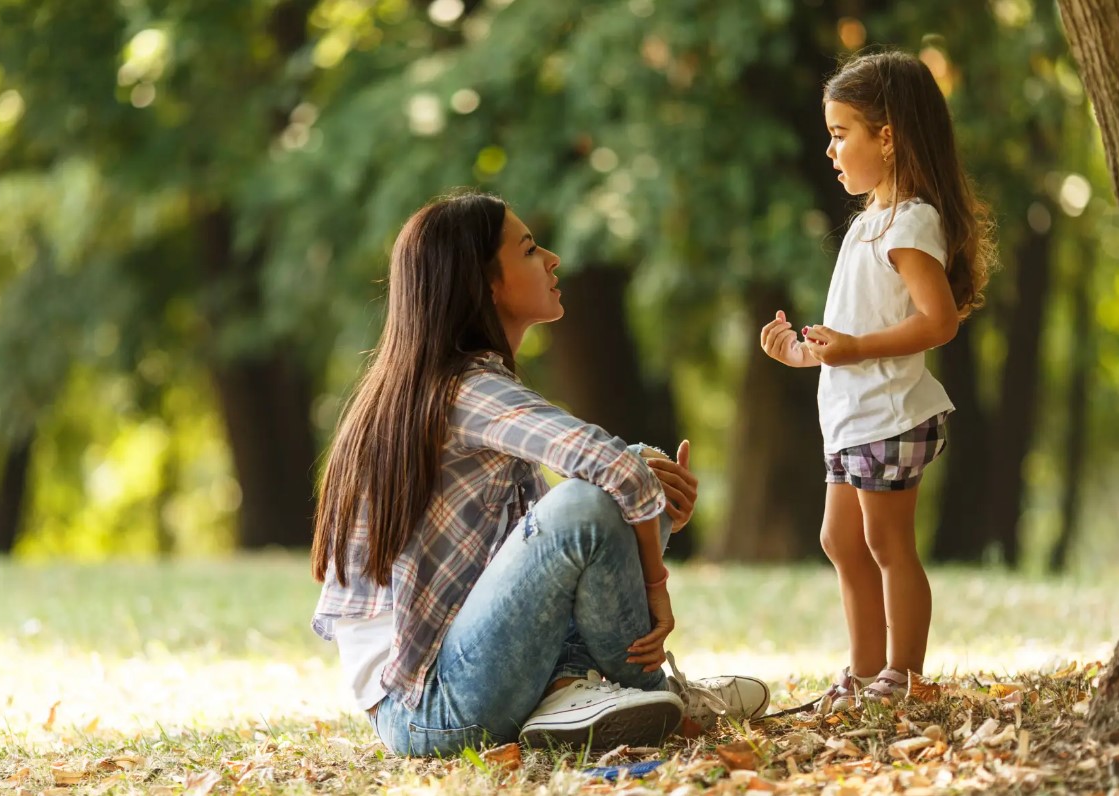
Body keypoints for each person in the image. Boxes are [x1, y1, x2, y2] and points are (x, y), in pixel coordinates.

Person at [311, 191, 769, 757]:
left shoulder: (445, 383)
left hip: (462, 672)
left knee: (635, 464)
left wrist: (644, 488)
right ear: (486, 284)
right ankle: (652, 694)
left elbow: (569, 520)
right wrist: (657, 588)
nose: (552, 259)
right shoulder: (465, 389)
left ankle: (570, 690)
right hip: (427, 707)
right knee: (593, 498)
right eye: (529, 251)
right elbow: (603, 475)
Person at [759, 51, 996, 710]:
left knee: (885, 542)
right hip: (854, 414)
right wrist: (803, 355)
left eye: (841, 133)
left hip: (891, 415)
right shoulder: (871, 221)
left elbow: (937, 321)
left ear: (886, 136)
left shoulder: (911, 221)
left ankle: (903, 673)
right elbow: (853, 334)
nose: (830, 149)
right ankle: (863, 672)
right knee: (838, 539)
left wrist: (857, 346)